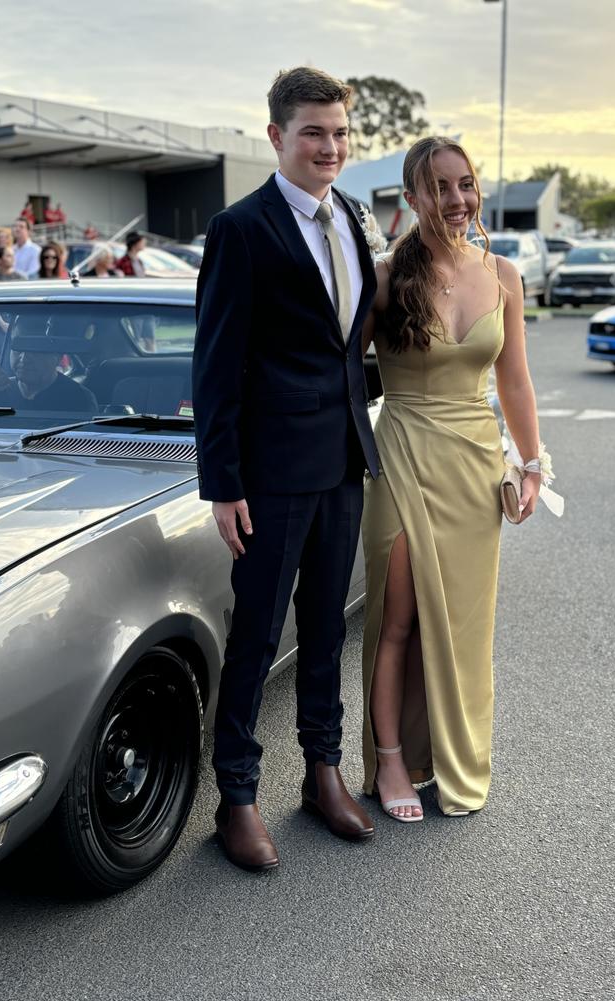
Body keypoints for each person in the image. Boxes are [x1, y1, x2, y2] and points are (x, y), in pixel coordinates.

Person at [192, 66, 380, 871]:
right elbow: (216, 366)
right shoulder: (242, 228)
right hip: (268, 474)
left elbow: (349, 344)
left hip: (341, 459)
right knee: (258, 636)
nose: (329, 146)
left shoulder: (353, 220)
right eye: (313, 132)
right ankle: (236, 797)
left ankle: (323, 774)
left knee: (329, 628)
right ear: (276, 137)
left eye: (339, 132)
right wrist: (223, 483)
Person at [360, 137, 543, 821]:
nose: (457, 199)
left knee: (464, 627)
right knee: (397, 621)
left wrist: (530, 463)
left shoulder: (504, 275)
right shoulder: (380, 276)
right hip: (404, 455)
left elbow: (515, 380)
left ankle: (451, 758)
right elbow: (334, 368)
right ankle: (390, 763)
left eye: (465, 184)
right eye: (439, 187)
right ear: (410, 197)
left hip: (473, 464)